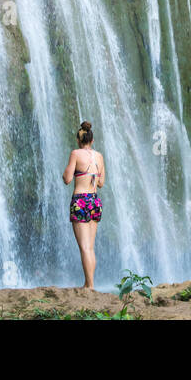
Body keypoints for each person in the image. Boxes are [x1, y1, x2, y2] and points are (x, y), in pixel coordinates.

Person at [63, 120, 105, 289]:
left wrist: (68, 171)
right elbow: (101, 182)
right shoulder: (99, 156)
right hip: (95, 201)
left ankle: (90, 286)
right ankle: (88, 283)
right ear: (92, 140)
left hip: (80, 201)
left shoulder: (75, 153)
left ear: (79, 141)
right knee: (90, 247)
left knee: (84, 248)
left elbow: (67, 179)